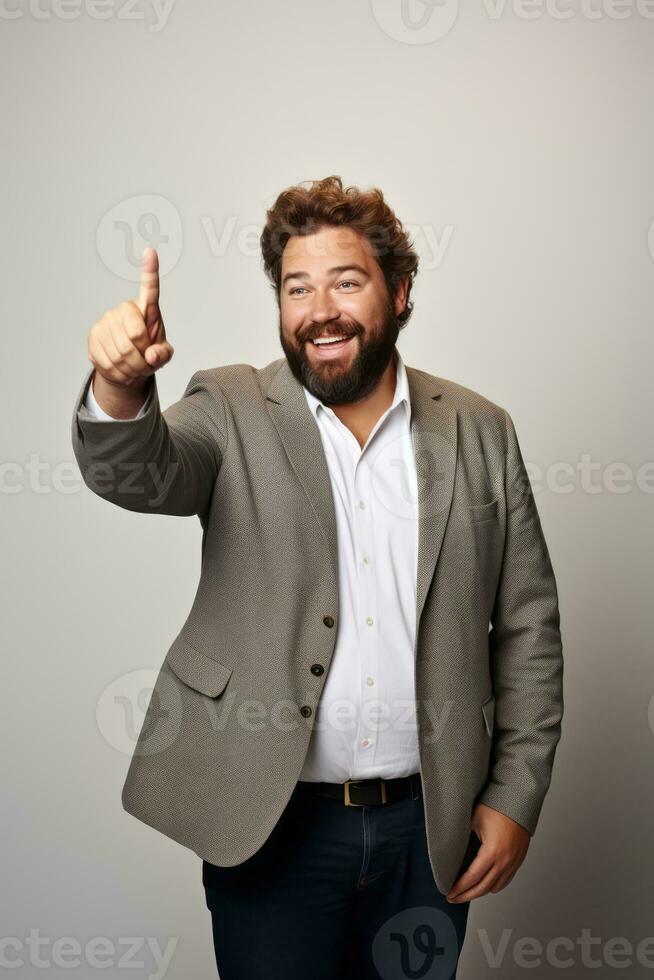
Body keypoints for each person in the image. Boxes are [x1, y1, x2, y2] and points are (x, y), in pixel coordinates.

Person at [71, 175, 564, 979]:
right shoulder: (231, 405)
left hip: (428, 832)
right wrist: (121, 386)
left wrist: (514, 796)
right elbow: (143, 473)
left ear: (400, 292)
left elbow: (530, 632)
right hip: (274, 828)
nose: (319, 309)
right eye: (297, 287)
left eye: (346, 281)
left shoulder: (479, 429)